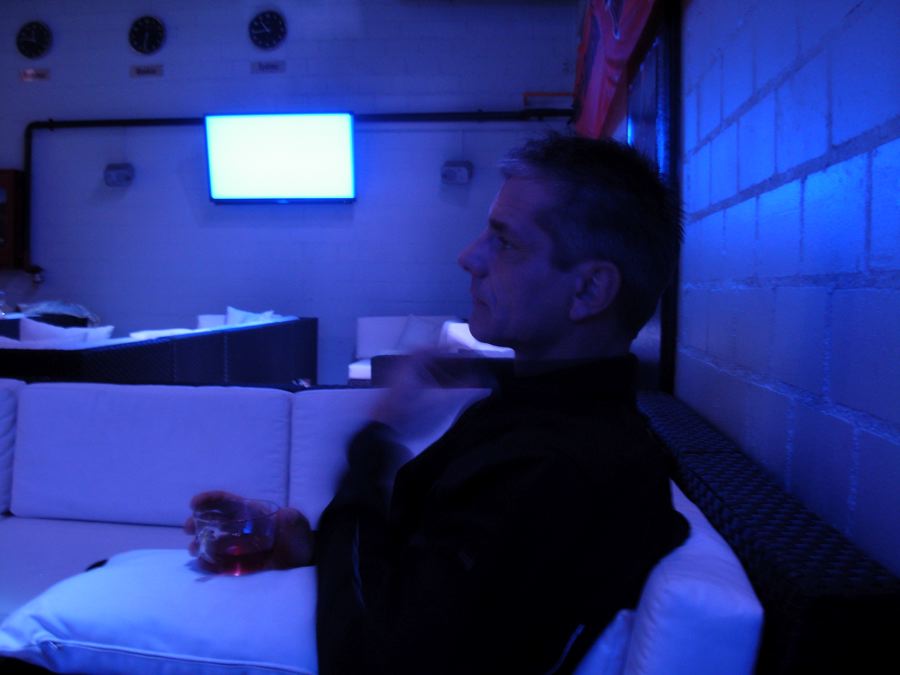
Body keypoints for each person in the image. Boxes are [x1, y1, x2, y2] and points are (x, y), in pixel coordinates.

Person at [186, 132, 689, 674]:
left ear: (588, 290)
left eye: (505, 242)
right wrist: (301, 540)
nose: (468, 257)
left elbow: (371, 659)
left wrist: (375, 439)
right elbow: (420, 571)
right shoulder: (530, 414)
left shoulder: (556, 470)